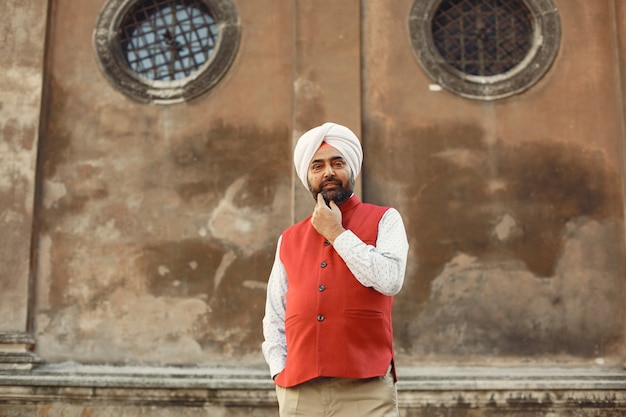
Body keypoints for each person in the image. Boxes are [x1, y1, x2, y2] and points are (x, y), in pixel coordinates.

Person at [262, 122, 409, 417]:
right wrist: (279, 370)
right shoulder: (289, 238)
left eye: (337, 162)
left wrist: (337, 234)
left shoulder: (385, 219)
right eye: (317, 166)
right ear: (309, 176)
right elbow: (275, 314)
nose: (328, 172)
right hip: (299, 391)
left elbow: (390, 280)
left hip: (365, 390)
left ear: (351, 169)